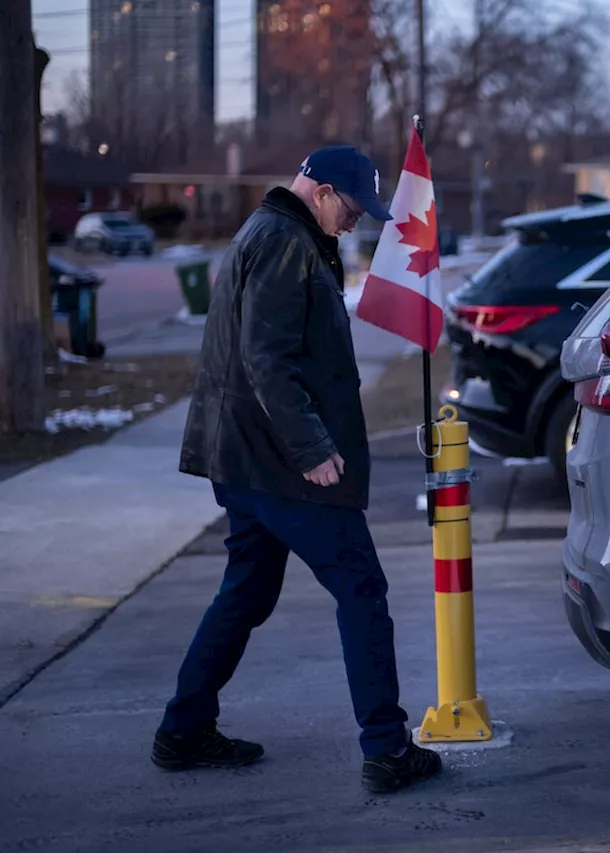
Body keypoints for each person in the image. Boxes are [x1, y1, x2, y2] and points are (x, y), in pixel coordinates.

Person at [152, 145, 442, 795]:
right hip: (282, 462)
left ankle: (184, 728)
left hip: (246, 457)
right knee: (361, 588)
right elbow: (266, 360)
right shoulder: (284, 242)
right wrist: (311, 449)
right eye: (351, 208)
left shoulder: (275, 231)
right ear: (320, 191)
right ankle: (387, 747)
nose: (356, 222)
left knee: (246, 591)